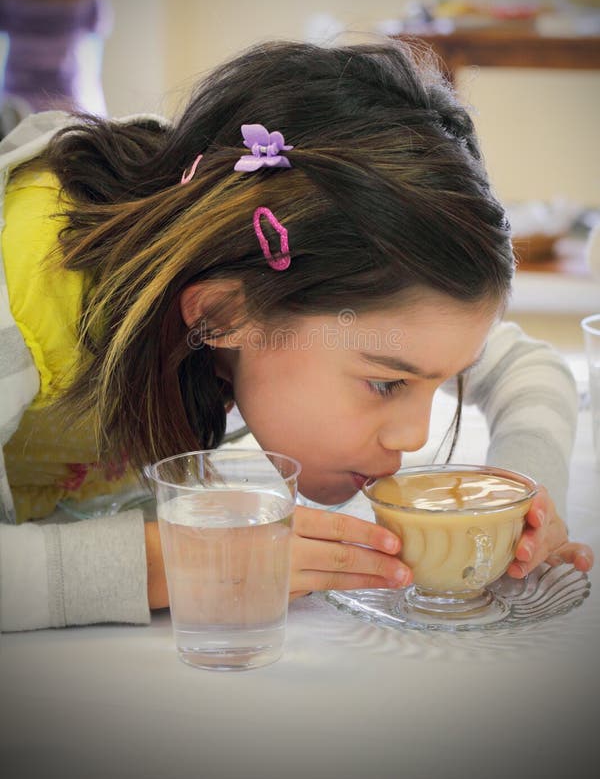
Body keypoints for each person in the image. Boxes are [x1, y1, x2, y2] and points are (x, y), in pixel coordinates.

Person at [0, 39, 593, 631]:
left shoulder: (282, 264)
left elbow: (532, 369)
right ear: (223, 316)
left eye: (437, 383)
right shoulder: (23, 294)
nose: (413, 438)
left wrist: (526, 500)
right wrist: (181, 560)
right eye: (387, 385)